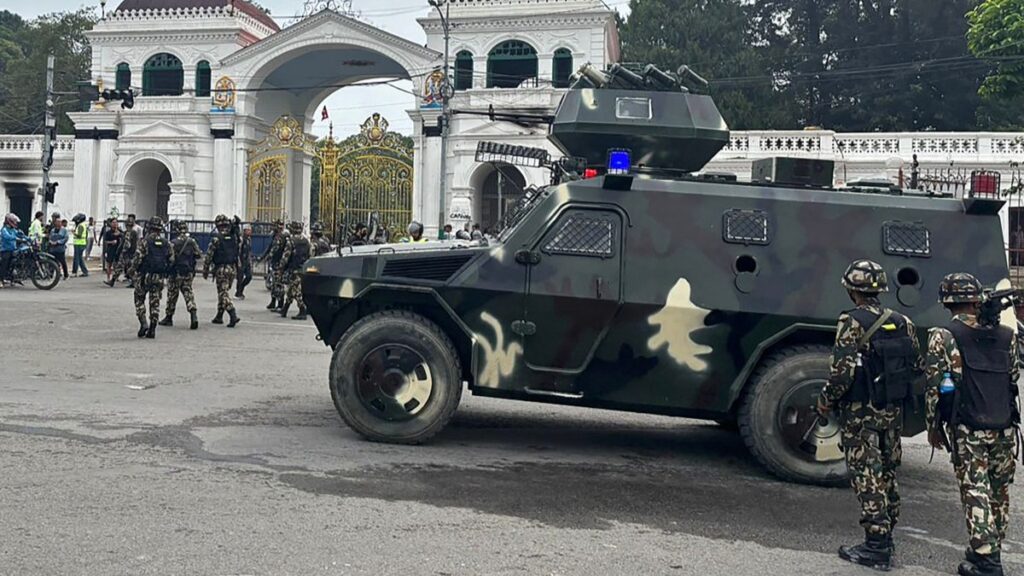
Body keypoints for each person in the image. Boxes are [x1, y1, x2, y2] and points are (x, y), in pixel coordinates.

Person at [816, 259, 923, 571]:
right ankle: (887, 536)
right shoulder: (903, 321)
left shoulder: (851, 322)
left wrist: (826, 400)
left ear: (852, 290)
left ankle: (875, 547)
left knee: (867, 475)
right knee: (888, 472)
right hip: (892, 409)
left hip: (861, 413)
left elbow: (841, 373)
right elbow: (914, 364)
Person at [926, 273, 1019, 576]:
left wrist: (934, 427)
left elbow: (935, 386)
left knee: (975, 490)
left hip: (969, 429)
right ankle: (987, 548)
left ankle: (988, 561)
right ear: (977, 299)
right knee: (998, 491)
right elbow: (1014, 376)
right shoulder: (1007, 334)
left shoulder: (944, 335)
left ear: (946, 300)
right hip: (1005, 426)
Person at [129, 217, 172, 339]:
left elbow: (138, 258)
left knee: (139, 298)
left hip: (144, 275)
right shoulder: (166, 243)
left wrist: (132, 271)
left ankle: (143, 323)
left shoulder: (144, 242)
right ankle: (153, 328)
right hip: (158, 276)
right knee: (155, 302)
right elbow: (171, 259)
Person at [159, 220, 200, 330]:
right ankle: (193, 314)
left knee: (172, 295)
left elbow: (170, 258)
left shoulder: (173, 243)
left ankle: (168, 317)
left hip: (175, 273)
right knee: (188, 293)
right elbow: (198, 254)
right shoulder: (192, 241)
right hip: (188, 272)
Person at [203, 214, 241, 327]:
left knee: (222, 292)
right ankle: (219, 316)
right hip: (232, 269)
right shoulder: (233, 237)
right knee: (223, 290)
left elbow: (209, 255)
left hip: (221, 269)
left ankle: (232, 313)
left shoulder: (217, 238)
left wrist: (205, 270)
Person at [278, 220, 310, 320]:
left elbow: (285, 257)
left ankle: (302, 310)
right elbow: (309, 254)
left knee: (296, 290)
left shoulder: (291, 241)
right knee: (292, 288)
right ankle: (285, 308)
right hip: (303, 268)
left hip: (294, 269)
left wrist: (281, 269)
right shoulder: (306, 241)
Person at [259, 218, 288, 311]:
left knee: (278, 284)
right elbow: (269, 247)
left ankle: (280, 304)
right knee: (274, 283)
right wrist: (263, 256)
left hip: (279, 263)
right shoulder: (274, 236)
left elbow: (274, 250)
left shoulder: (281, 237)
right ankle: (273, 301)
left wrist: (267, 257)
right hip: (275, 262)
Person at [106, 214, 140, 287]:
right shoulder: (130, 232)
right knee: (123, 268)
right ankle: (113, 281)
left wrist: (125, 252)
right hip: (128, 254)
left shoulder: (131, 233)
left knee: (126, 268)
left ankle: (134, 282)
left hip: (127, 254)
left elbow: (129, 245)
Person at [1, 213, 28, 287]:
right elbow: (8, 237)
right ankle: (1, 279)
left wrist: (28, 238)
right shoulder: (4, 230)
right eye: (14, 221)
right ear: (9, 221)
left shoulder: (13, 230)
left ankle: (12, 278)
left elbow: (20, 235)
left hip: (13, 249)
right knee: (5, 263)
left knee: (15, 262)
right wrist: (17, 238)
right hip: (5, 250)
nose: (15, 223)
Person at [47, 214, 69, 280]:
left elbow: (66, 238)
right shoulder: (53, 230)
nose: (58, 223)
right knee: (51, 262)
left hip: (60, 249)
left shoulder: (64, 230)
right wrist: (50, 241)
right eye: (57, 222)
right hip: (52, 249)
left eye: (59, 222)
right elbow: (50, 237)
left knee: (62, 262)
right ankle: (50, 275)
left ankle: (66, 275)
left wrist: (58, 242)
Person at [234, 225, 253, 300]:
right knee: (240, 278)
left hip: (247, 261)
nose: (249, 231)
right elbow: (238, 251)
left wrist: (250, 261)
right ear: (244, 231)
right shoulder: (241, 239)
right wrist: (238, 262)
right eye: (248, 230)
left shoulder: (249, 239)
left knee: (249, 276)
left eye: (250, 230)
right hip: (241, 261)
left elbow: (249, 251)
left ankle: (241, 288)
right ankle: (238, 293)